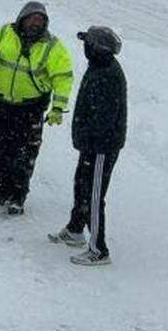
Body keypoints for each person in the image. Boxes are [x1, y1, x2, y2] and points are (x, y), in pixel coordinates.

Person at [0, 1, 74, 214]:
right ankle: (3, 190)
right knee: (0, 148)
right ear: (22, 18)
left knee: (24, 153)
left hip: (30, 108)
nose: (35, 24)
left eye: (40, 20)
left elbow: (63, 78)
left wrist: (58, 107)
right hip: (1, 102)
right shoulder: (3, 33)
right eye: (32, 19)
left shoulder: (52, 47)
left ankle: (18, 195)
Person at [48, 26, 126, 266]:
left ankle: (99, 249)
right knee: (81, 184)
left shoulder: (108, 74)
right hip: (90, 144)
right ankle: (75, 229)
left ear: (96, 48)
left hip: (101, 146)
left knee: (94, 194)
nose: (84, 48)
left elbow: (104, 116)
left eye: (87, 44)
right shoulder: (99, 67)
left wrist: (93, 142)